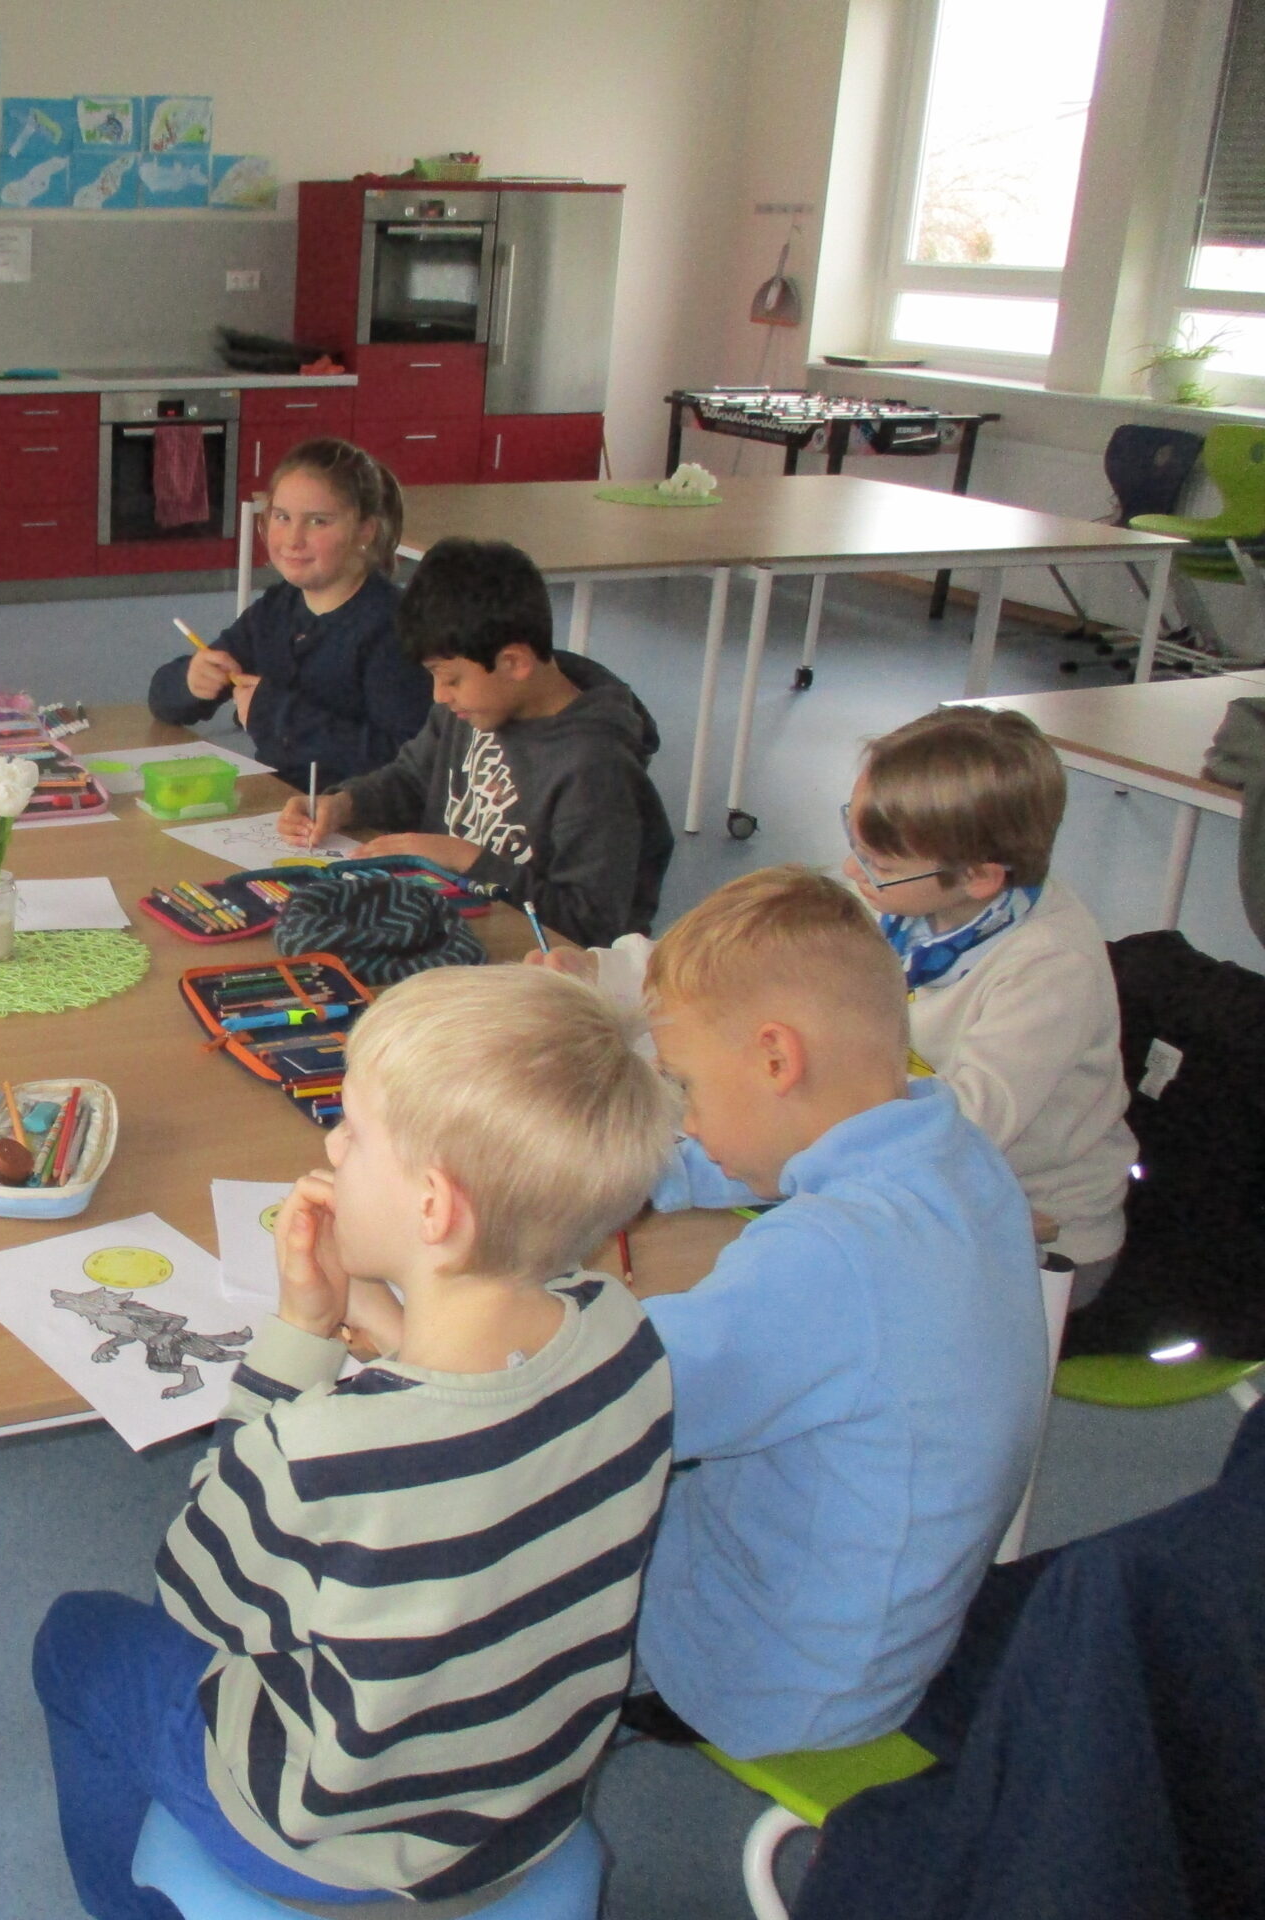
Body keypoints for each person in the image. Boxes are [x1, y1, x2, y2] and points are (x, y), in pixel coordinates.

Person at [34, 967, 680, 1917]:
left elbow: (195, 1588)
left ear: (434, 1209)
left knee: (75, 1641)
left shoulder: (327, 1450)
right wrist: (403, 1332)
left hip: (328, 1840)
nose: (332, 1145)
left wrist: (302, 1331)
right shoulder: (625, 1335)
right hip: (528, 1806)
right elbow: (484, 1439)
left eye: (354, 1130)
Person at [624, 866, 1047, 1760]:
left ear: (777, 1059)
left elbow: (609, 1404)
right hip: (887, 1631)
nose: (686, 1122)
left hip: (774, 1676)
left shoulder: (826, 1258)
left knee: (503, 1511)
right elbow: (756, 1159)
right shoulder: (953, 1151)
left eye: (686, 1087)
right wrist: (616, 1173)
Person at [550, 706, 1135, 1301]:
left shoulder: (1050, 968)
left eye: (879, 863)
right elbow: (737, 961)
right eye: (855, 842)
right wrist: (601, 972)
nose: (854, 869)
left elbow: (952, 1136)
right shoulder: (905, 899)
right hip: (881, 1182)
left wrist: (688, 1168)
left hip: (1030, 1236)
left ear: (978, 877)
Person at [278, 537, 671, 949]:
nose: (439, 696)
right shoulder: (475, 704)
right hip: (450, 929)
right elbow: (411, 780)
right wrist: (345, 804)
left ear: (514, 663)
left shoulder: (596, 768)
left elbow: (589, 926)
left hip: (536, 962)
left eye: (450, 679)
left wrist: (466, 859)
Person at [144, 438, 427, 787]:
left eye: (318, 522)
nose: (293, 539)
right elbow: (163, 700)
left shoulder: (392, 627)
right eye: (282, 517)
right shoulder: (278, 608)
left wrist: (277, 716)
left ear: (364, 531)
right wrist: (191, 681)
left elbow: (404, 762)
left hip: (351, 813)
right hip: (282, 801)